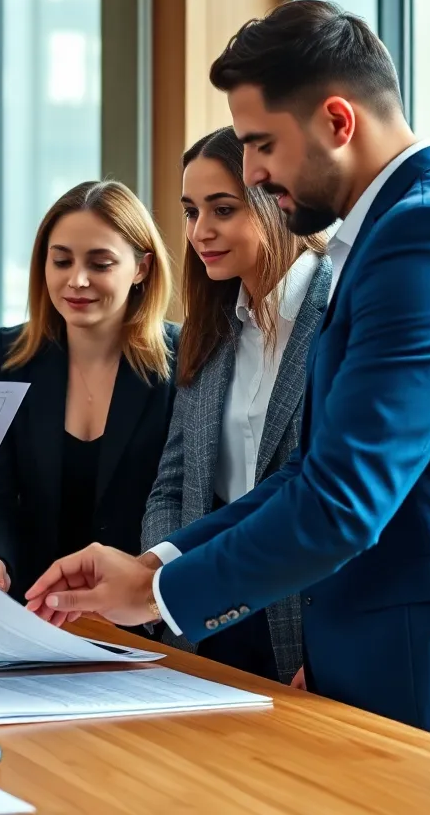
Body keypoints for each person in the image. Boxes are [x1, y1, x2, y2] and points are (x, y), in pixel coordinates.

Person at [26, 0, 430, 761]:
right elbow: (312, 467)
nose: (255, 169)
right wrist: (157, 562)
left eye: (262, 145)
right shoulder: (393, 232)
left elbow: (342, 502)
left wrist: (157, 596)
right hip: (389, 648)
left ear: (337, 120)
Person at [141, 127, 330, 683]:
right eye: (191, 212)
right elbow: (172, 483)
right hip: (207, 614)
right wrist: (158, 592)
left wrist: (331, 644)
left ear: (276, 204)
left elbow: (345, 497)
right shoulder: (212, 326)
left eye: (222, 209)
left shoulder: (340, 309)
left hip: (306, 624)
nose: (201, 232)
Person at [0, 180, 178, 602]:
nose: (76, 280)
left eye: (100, 264)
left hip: (135, 614)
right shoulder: (10, 354)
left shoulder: (184, 359)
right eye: (61, 261)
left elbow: (184, 499)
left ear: (142, 268)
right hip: (30, 603)